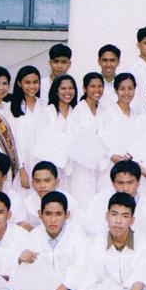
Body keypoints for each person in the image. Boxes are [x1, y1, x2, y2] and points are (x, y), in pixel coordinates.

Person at [81, 160, 146, 241]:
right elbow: (92, 230)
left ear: (138, 182)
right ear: (113, 183)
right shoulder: (101, 199)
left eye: (130, 183)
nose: (125, 188)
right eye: (120, 183)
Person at [64, 73, 103, 207]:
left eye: (100, 86)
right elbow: (74, 142)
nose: (97, 90)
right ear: (85, 89)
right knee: (83, 201)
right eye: (93, 86)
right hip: (83, 166)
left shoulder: (104, 110)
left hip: (102, 165)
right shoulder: (78, 111)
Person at [7, 65, 43, 189]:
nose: (32, 86)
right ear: (19, 83)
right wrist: (21, 169)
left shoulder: (45, 106)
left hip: (41, 161)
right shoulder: (10, 107)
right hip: (21, 163)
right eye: (27, 82)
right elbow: (13, 141)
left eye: (35, 82)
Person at [20, 161, 77, 231]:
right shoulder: (27, 202)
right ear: (32, 183)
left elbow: (77, 229)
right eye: (37, 181)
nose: (42, 186)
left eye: (47, 181)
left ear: (57, 182)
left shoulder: (69, 201)